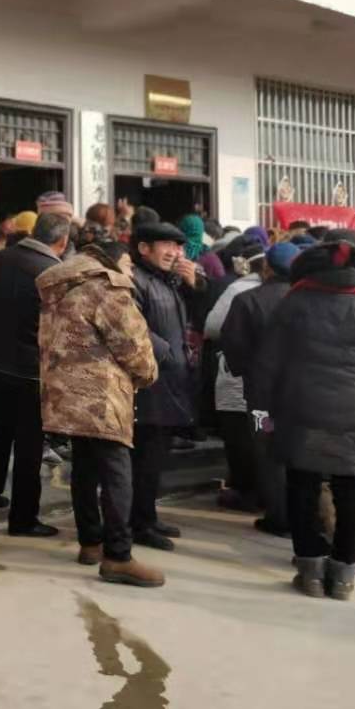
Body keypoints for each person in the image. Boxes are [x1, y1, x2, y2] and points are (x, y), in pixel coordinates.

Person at [260, 241, 355, 600]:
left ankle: (310, 571)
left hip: (299, 409)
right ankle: (343, 577)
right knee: (352, 489)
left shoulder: (293, 303)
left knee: (302, 489)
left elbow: (267, 365)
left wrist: (265, 410)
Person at [37, 240, 162, 587]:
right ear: (112, 261)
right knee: (117, 472)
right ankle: (118, 556)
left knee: (84, 468)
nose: (131, 272)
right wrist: (148, 374)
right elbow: (133, 346)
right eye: (129, 264)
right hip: (102, 396)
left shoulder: (59, 284)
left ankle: (90, 543)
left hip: (66, 394)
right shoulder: (107, 288)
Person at [0, 211, 70, 535]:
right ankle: (23, 519)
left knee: (0, 430)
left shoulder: (3, 258)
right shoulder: (53, 271)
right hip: (30, 370)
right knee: (29, 446)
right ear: (62, 241)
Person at [129, 221, 203, 551]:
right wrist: (167, 353)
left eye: (178, 246)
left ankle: (147, 515)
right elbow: (134, 326)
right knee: (144, 457)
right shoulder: (136, 279)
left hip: (172, 381)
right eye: (167, 245)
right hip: (149, 383)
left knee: (156, 457)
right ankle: (138, 522)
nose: (174, 252)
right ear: (144, 248)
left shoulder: (168, 281)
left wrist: (194, 286)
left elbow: (196, 318)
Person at [222, 242, 300, 536]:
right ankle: (302, 515)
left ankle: (278, 515)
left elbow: (233, 346)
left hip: (260, 396)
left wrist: (246, 371)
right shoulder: (308, 300)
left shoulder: (247, 300)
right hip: (301, 392)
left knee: (267, 450)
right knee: (298, 451)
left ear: (266, 268)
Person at [202, 244, 264, 513]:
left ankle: (245, 492)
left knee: (240, 439)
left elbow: (212, 327)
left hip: (237, 379)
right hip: (274, 384)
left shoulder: (238, 290)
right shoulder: (295, 292)